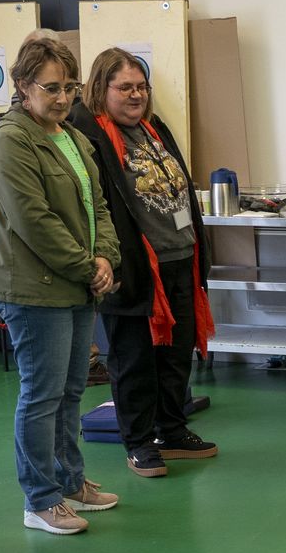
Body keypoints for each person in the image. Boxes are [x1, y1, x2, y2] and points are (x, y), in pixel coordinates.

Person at [0, 36, 121, 535]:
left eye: (71, 87)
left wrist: (105, 255)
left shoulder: (72, 137)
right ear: (22, 86)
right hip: (35, 288)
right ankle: (40, 499)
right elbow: (34, 220)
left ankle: (71, 483)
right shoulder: (12, 141)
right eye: (51, 87)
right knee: (41, 395)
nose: (63, 98)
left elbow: (98, 206)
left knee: (70, 391)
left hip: (78, 282)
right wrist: (89, 267)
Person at [72, 47, 217, 480]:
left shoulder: (155, 127)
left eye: (141, 87)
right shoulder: (89, 133)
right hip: (134, 267)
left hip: (179, 259)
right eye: (125, 87)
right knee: (134, 358)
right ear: (102, 88)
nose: (136, 95)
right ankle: (138, 443)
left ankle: (172, 430)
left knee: (176, 353)